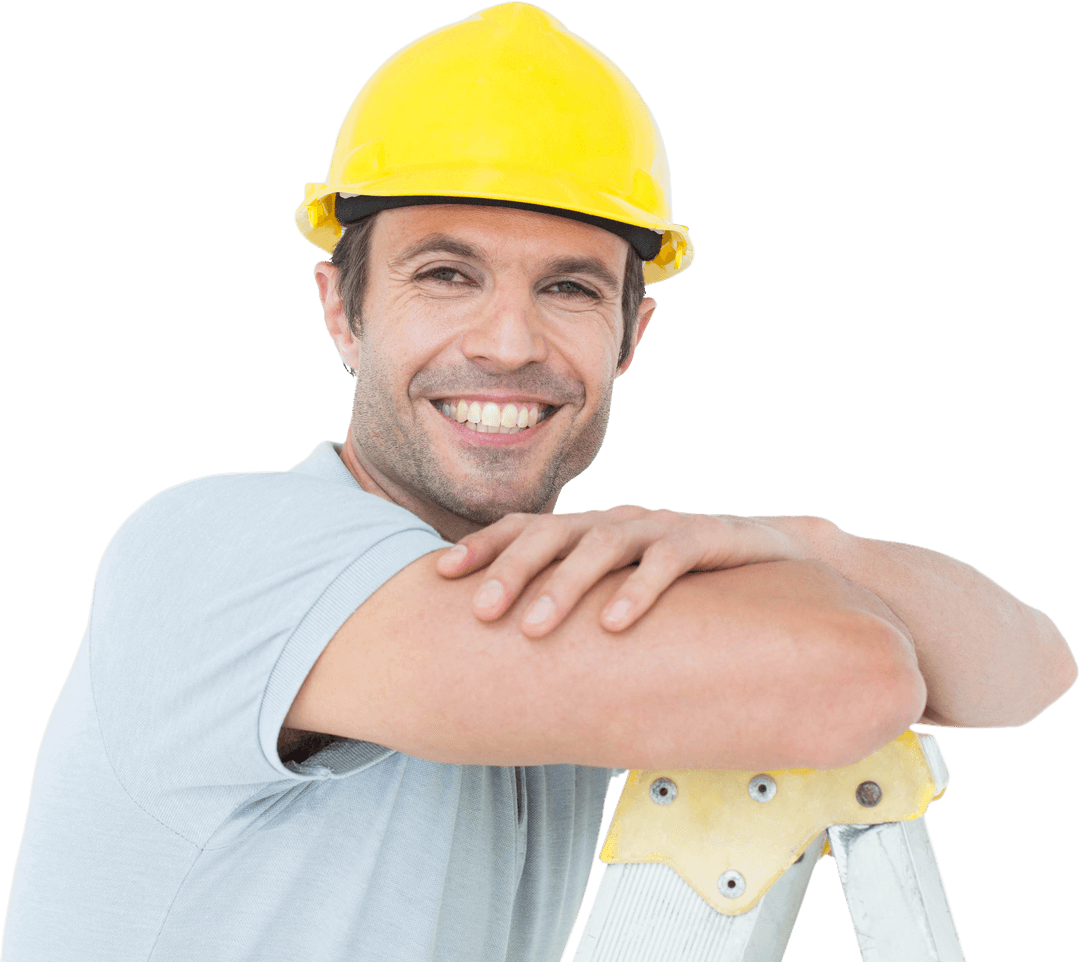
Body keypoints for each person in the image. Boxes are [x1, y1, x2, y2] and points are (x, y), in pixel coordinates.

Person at [3, 3, 1075, 961]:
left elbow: (1031, 664)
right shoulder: (221, 550)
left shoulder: (551, 606)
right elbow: (854, 675)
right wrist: (804, 581)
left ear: (629, 335)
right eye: (446, 274)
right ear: (342, 307)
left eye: (568, 287)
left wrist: (806, 543)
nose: (508, 342)